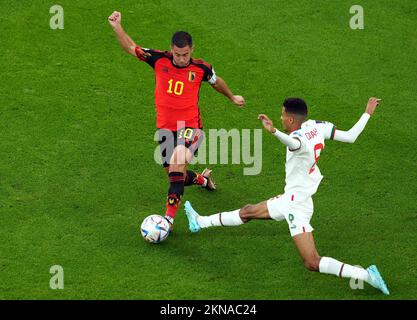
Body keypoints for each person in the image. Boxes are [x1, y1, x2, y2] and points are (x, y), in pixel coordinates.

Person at [184, 97, 389, 295]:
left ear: (291, 119)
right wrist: (367, 113)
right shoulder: (317, 126)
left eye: (282, 115)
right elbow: (351, 136)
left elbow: (294, 144)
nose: (280, 118)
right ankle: (199, 222)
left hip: (295, 205)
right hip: (294, 197)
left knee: (311, 261)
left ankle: (365, 275)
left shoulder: (298, 140)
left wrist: (273, 131)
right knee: (248, 211)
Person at [108, 11, 245, 228]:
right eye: (178, 54)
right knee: (175, 174)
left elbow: (217, 82)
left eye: (185, 54)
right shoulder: (159, 60)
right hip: (165, 130)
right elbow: (131, 48)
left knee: (176, 165)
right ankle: (202, 179)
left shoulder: (201, 68)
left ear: (192, 50)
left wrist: (232, 96)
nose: (181, 58)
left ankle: (168, 220)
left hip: (191, 128)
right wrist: (117, 27)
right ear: (171, 49)